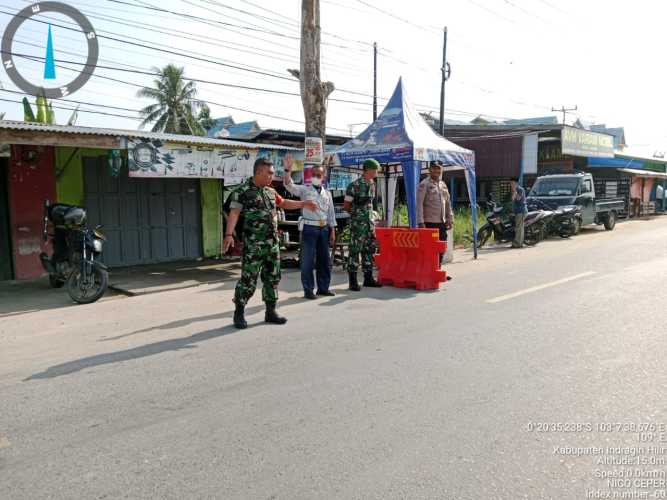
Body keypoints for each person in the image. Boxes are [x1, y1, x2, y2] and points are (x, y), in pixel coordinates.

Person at [224, 157, 318, 329]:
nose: (271, 176)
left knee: (273, 277)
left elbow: (284, 203)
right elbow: (234, 213)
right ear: (259, 171)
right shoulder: (242, 191)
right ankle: (239, 313)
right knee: (248, 280)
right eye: (269, 173)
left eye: (273, 173)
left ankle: (271, 311)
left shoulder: (270, 191)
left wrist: (303, 203)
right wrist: (229, 234)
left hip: (272, 244)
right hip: (253, 245)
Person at [283, 155, 337, 300]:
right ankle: (308, 290)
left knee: (324, 260)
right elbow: (289, 185)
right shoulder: (305, 190)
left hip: (324, 229)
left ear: (323, 177)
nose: (316, 177)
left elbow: (331, 213)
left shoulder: (328, 194)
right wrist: (287, 169)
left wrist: (333, 230)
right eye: (314, 175)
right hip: (309, 228)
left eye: (318, 175)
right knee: (307, 261)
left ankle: (323, 288)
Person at [343, 158, 383, 291]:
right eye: (375, 170)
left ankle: (368, 278)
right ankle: (353, 281)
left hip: (369, 224)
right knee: (355, 251)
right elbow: (346, 206)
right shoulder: (353, 185)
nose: (376, 172)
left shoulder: (372, 184)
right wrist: (358, 215)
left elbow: (372, 204)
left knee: (369, 250)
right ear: (369, 170)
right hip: (358, 224)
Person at [417, 161, 453, 268]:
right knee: (430, 248)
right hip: (429, 223)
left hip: (441, 222)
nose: (437, 171)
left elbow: (447, 203)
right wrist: (420, 222)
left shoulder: (443, 184)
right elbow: (419, 204)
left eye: (439, 169)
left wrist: (450, 218)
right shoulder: (424, 184)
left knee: (442, 246)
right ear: (430, 170)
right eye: (434, 168)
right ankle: (430, 270)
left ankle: (437, 269)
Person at [510, 179, 528, 248]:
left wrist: (515, 191)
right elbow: (512, 199)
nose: (511, 185)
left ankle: (518, 244)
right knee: (519, 228)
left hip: (521, 211)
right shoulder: (515, 190)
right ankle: (519, 243)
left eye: (512, 183)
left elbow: (518, 199)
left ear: (516, 183)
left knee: (519, 228)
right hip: (517, 211)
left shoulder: (520, 189)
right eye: (510, 184)